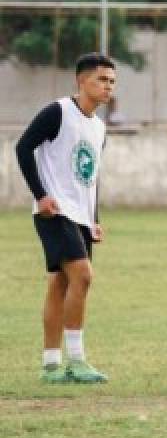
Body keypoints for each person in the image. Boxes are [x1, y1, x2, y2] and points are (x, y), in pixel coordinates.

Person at [16, 53, 116, 383]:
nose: (108, 87)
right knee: (83, 276)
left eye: (112, 82)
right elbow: (23, 147)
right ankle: (76, 360)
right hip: (55, 211)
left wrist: (95, 217)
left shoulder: (100, 128)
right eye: (102, 79)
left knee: (60, 284)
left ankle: (50, 365)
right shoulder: (58, 112)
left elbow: (91, 176)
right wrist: (40, 195)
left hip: (80, 216)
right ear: (81, 80)